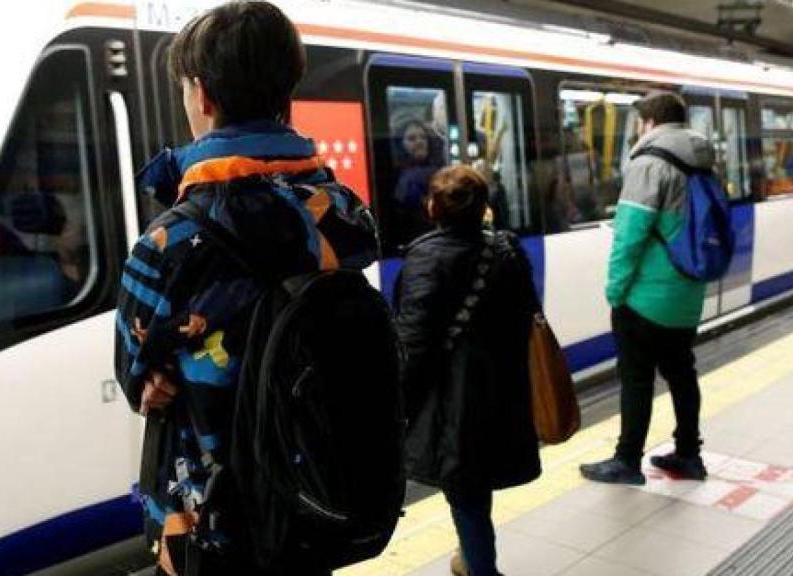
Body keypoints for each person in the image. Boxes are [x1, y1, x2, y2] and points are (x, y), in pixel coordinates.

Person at [113, 3, 378, 575]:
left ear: (202, 96)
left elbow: (137, 375)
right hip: (314, 487)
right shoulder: (341, 214)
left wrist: (156, 375)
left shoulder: (170, 241)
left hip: (215, 515)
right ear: (286, 93)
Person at [396, 165, 541, 576]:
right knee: (474, 484)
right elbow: (528, 312)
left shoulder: (426, 257)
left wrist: (400, 401)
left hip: (456, 399)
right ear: (484, 208)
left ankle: (482, 568)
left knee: (465, 491)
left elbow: (414, 343)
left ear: (433, 207)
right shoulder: (508, 249)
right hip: (504, 389)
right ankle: (470, 558)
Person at [580, 91, 714, 485]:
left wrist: (615, 291)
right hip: (687, 292)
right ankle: (689, 453)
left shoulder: (650, 162)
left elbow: (630, 234)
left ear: (649, 122)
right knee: (681, 373)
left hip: (646, 296)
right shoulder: (701, 159)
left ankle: (627, 460)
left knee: (636, 379)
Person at [392, 118, 446, 247]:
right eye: (411, 139)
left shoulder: (441, 170)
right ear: (401, 145)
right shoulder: (396, 178)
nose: (419, 142)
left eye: (423, 137)